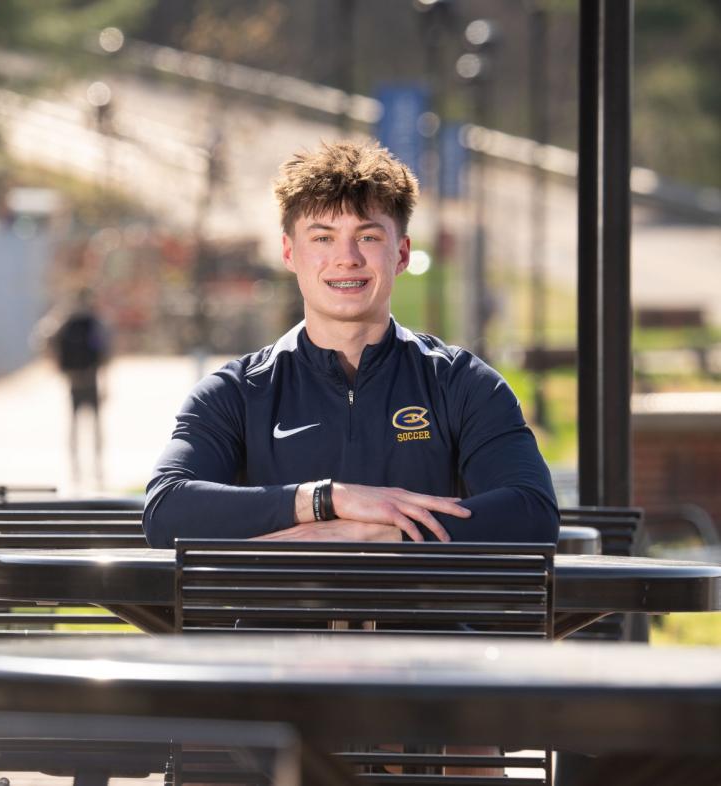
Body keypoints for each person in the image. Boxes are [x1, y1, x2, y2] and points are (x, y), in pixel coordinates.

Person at [143, 140, 558, 547]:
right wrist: (327, 498)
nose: (347, 258)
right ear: (289, 253)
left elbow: (532, 512)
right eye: (322, 238)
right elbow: (166, 511)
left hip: (426, 618)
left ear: (402, 253)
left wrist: (382, 534)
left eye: (368, 237)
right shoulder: (236, 392)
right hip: (276, 619)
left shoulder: (462, 385)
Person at [50, 289, 109, 486]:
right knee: (95, 427)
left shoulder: (65, 322)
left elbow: (45, 339)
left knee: (74, 427)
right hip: (91, 380)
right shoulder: (93, 323)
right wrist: (106, 382)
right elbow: (104, 351)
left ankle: (75, 470)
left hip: (74, 381)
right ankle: (97, 468)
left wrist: (58, 367)